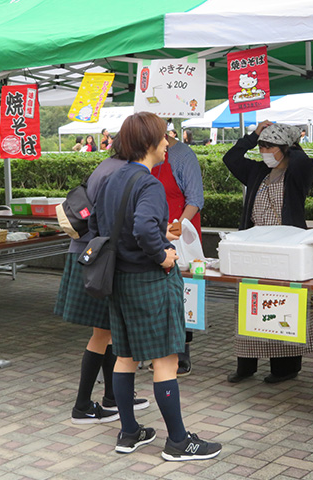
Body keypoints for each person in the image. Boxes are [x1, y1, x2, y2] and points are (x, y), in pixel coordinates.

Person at [93, 112, 222, 461]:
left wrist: (153, 235)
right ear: (149, 142)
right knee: (166, 358)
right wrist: (164, 255)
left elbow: (105, 227)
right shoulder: (148, 182)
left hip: (118, 278)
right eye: (164, 137)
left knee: (125, 355)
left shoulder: (112, 178)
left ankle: (129, 431)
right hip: (149, 279)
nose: (168, 143)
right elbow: (142, 231)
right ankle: (179, 441)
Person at [55, 134, 149, 425]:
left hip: (91, 253)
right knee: (102, 333)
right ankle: (82, 405)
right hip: (96, 257)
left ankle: (112, 397)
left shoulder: (107, 166)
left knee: (108, 330)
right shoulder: (118, 172)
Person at [223, 120, 313, 384]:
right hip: (254, 247)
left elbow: (302, 161)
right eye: (261, 146)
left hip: (286, 249)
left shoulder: (298, 172)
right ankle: (246, 365)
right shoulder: (256, 171)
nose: (263, 150)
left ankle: (284, 368)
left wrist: (289, 141)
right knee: (249, 306)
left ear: (285, 148)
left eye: (269, 146)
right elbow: (231, 157)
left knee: (284, 306)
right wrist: (254, 135)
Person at [150, 131, 205, 376]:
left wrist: (177, 226)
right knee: (155, 292)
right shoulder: (145, 153)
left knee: (181, 293)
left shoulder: (183, 155)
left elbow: (195, 199)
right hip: (151, 232)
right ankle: (156, 351)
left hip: (180, 232)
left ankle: (182, 352)